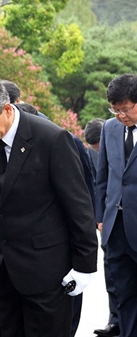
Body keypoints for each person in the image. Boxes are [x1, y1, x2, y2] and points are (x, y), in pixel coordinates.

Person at [0, 73, 97, 337]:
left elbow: (78, 206)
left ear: (7, 109)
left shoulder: (52, 139)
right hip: (2, 269)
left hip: (47, 271)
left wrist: (84, 265)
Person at [95, 74, 137, 337]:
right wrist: (100, 216)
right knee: (122, 289)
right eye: (115, 109)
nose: (120, 115)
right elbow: (103, 178)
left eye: (126, 108)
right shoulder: (109, 128)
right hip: (115, 225)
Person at [84, 118, 118, 337]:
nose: (97, 151)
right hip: (108, 220)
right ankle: (115, 321)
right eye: (94, 148)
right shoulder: (88, 153)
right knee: (113, 273)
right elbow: (98, 185)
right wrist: (98, 218)